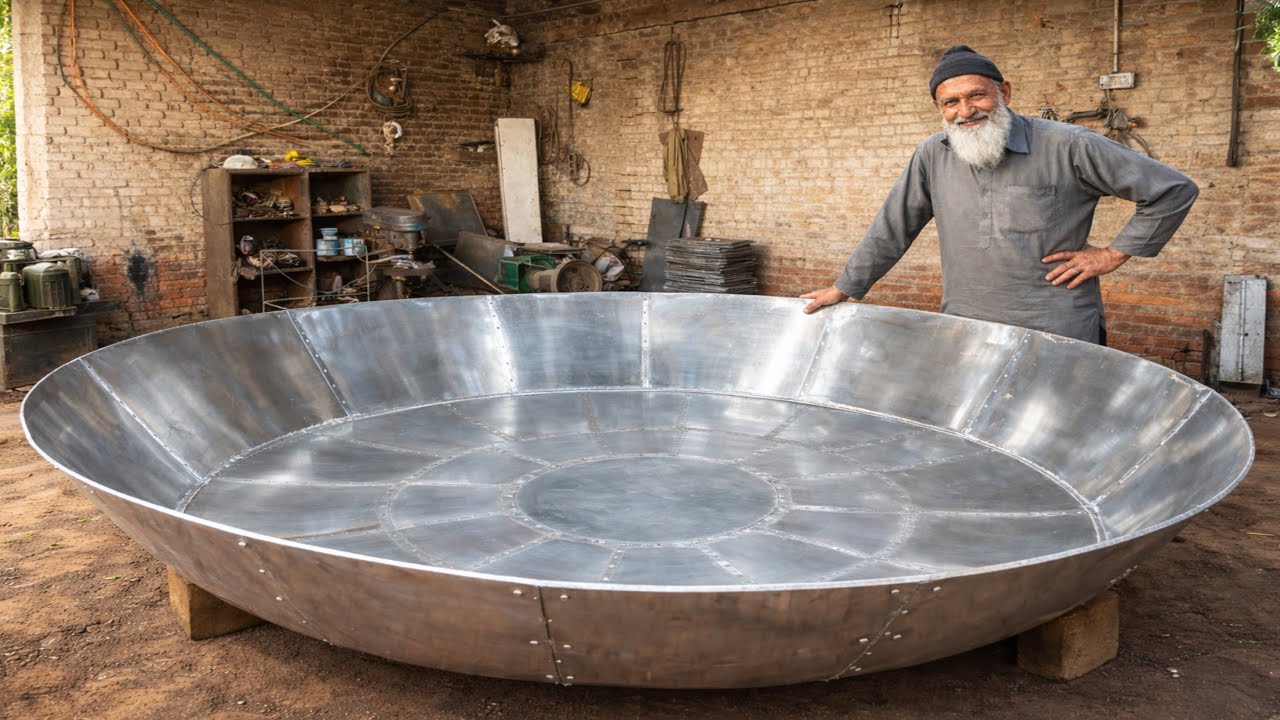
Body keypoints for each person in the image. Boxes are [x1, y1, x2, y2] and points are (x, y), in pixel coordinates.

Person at [800, 45, 1199, 344]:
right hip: (966, 320)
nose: (966, 110)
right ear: (940, 108)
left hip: (1056, 322)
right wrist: (846, 286)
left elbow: (1172, 191)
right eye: (951, 102)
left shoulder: (1069, 145)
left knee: (1057, 420)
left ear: (1005, 92)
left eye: (977, 95)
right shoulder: (932, 154)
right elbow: (894, 226)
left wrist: (1112, 254)